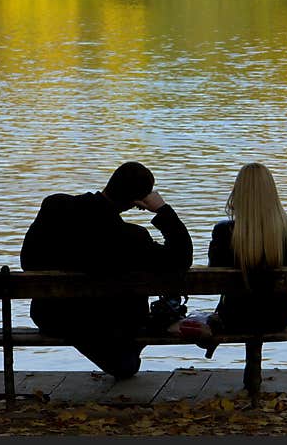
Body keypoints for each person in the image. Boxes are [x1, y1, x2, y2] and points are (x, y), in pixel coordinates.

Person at [20, 161, 193, 379]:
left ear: (110, 183)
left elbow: (27, 261)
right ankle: (123, 358)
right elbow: (181, 258)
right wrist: (163, 210)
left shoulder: (54, 206)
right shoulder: (132, 238)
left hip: (52, 316)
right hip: (106, 323)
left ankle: (121, 359)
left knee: (123, 361)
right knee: (126, 361)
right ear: (138, 203)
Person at [208, 162, 287, 335]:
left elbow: (215, 272)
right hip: (279, 315)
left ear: (239, 193)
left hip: (235, 315)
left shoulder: (223, 231)